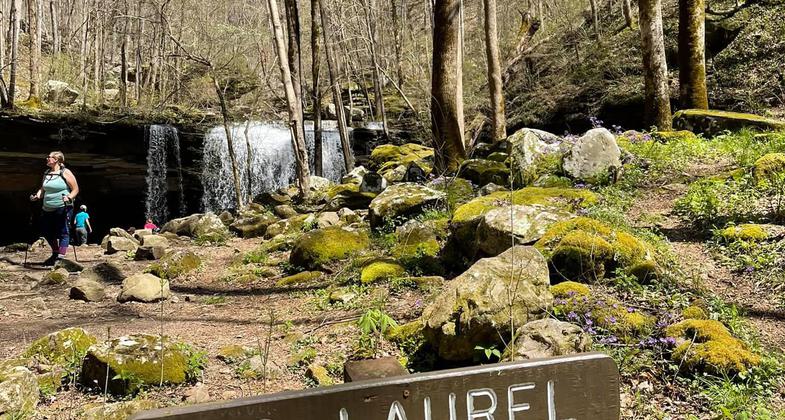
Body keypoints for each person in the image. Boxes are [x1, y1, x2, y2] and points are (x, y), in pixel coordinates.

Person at [30, 151, 79, 265]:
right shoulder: (47, 172)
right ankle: (55, 252)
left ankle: (60, 257)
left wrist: (69, 197)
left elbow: (75, 189)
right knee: (47, 231)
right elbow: (43, 188)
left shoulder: (65, 172)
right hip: (47, 207)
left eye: (49, 157)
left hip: (63, 206)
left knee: (63, 231)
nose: (47, 158)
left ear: (56, 160)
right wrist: (37, 196)